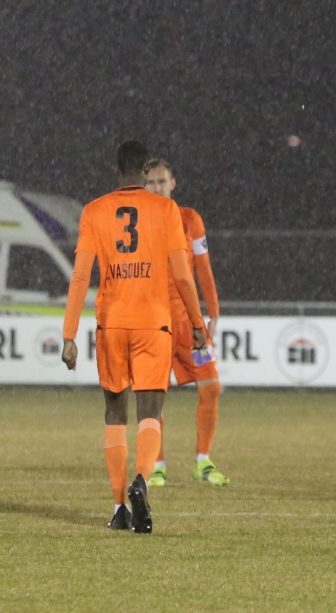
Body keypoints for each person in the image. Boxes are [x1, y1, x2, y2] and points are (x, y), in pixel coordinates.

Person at [61, 141, 207, 534]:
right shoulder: (166, 210)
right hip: (153, 322)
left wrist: (69, 334)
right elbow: (182, 275)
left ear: (115, 169)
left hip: (112, 322)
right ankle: (142, 480)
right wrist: (197, 322)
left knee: (114, 413)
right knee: (150, 413)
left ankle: (119, 507)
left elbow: (80, 275)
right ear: (145, 171)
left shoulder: (94, 211)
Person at [141, 159, 228, 487]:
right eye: (151, 182)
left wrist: (213, 311)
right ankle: (157, 464)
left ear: (173, 183)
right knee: (151, 396)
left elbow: (202, 266)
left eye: (162, 181)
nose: (157, 187)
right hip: (153, 323)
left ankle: (203, 460)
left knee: (212, 387)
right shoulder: (137, 223)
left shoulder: (190, 219)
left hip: (188, 323)